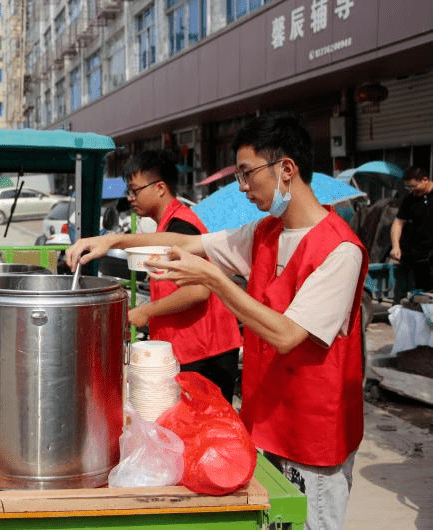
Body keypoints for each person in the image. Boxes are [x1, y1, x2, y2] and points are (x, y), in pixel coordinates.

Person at [67, 113, 367, 530]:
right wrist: (113, 241)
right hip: (266, 422)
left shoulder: (340, 251)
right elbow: (189, 241)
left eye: (247, 174)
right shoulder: (266, 232)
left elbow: (287, 335)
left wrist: (213, 278)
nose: (243, 189)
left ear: (286, 169)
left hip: (312, 435)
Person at [122, 150, 242, 402]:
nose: (131, 198)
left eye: (135, 190)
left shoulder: (182, 226)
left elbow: (198, 291)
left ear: (160, 188)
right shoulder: (168, 226)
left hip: (206, 352)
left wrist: (147, 311)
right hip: (192, 348)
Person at [390, 166, 433, 296]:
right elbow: (398, 222)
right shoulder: (410, 199)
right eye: (408, 187)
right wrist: (395, 246)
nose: (412, 190)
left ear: (425, 180)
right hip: (415, 255)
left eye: (414, 186)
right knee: (418, 295)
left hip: (431, 253)